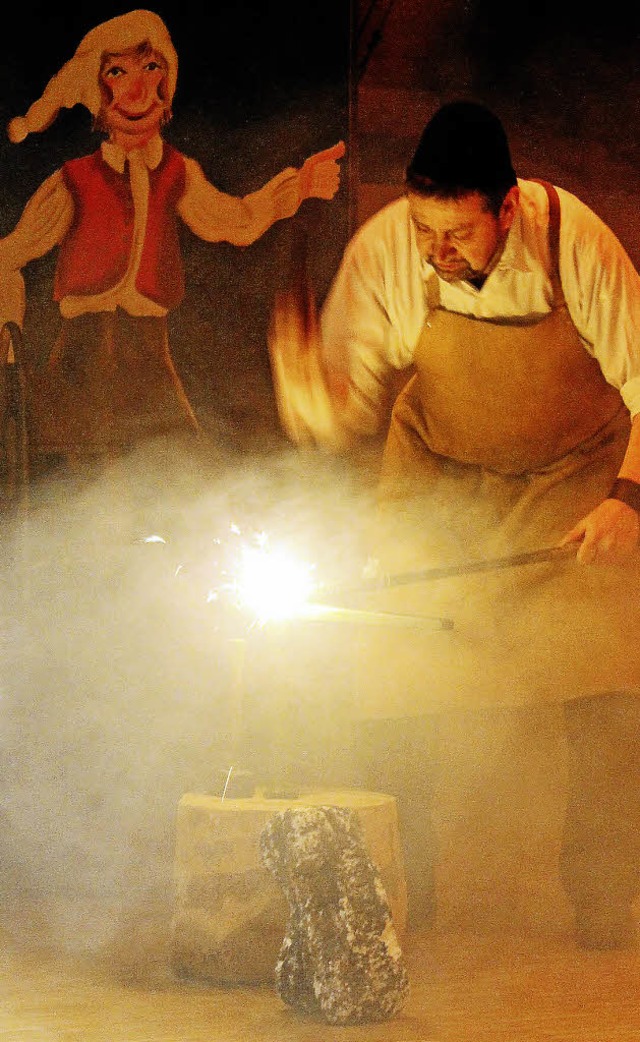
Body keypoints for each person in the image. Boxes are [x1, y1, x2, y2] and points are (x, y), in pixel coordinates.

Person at [268, 99, 640, 950]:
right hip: (441, 478)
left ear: (507, 207)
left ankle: (602, 898)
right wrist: (310, 397)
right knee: (395, 676)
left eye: (458, 232)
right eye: (424, 227)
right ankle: (401, 893)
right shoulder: (393, 250)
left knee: (610, 682)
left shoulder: (572, 242)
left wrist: (628, 500)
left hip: (572, 480)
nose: (436, 250)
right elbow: (345, 404)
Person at [0, 9, 344, 464]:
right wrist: (7, 337)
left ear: (166, 81)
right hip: (80, 367)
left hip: (149, 362)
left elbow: (234, 222)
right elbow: (9, 255)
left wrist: (299, 187)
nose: (137, 90)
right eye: (118, 72)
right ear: (98, 89)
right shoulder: (73, 181)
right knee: (72, 493)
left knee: (181, 485)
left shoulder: (178, 173)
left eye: (150, 68)